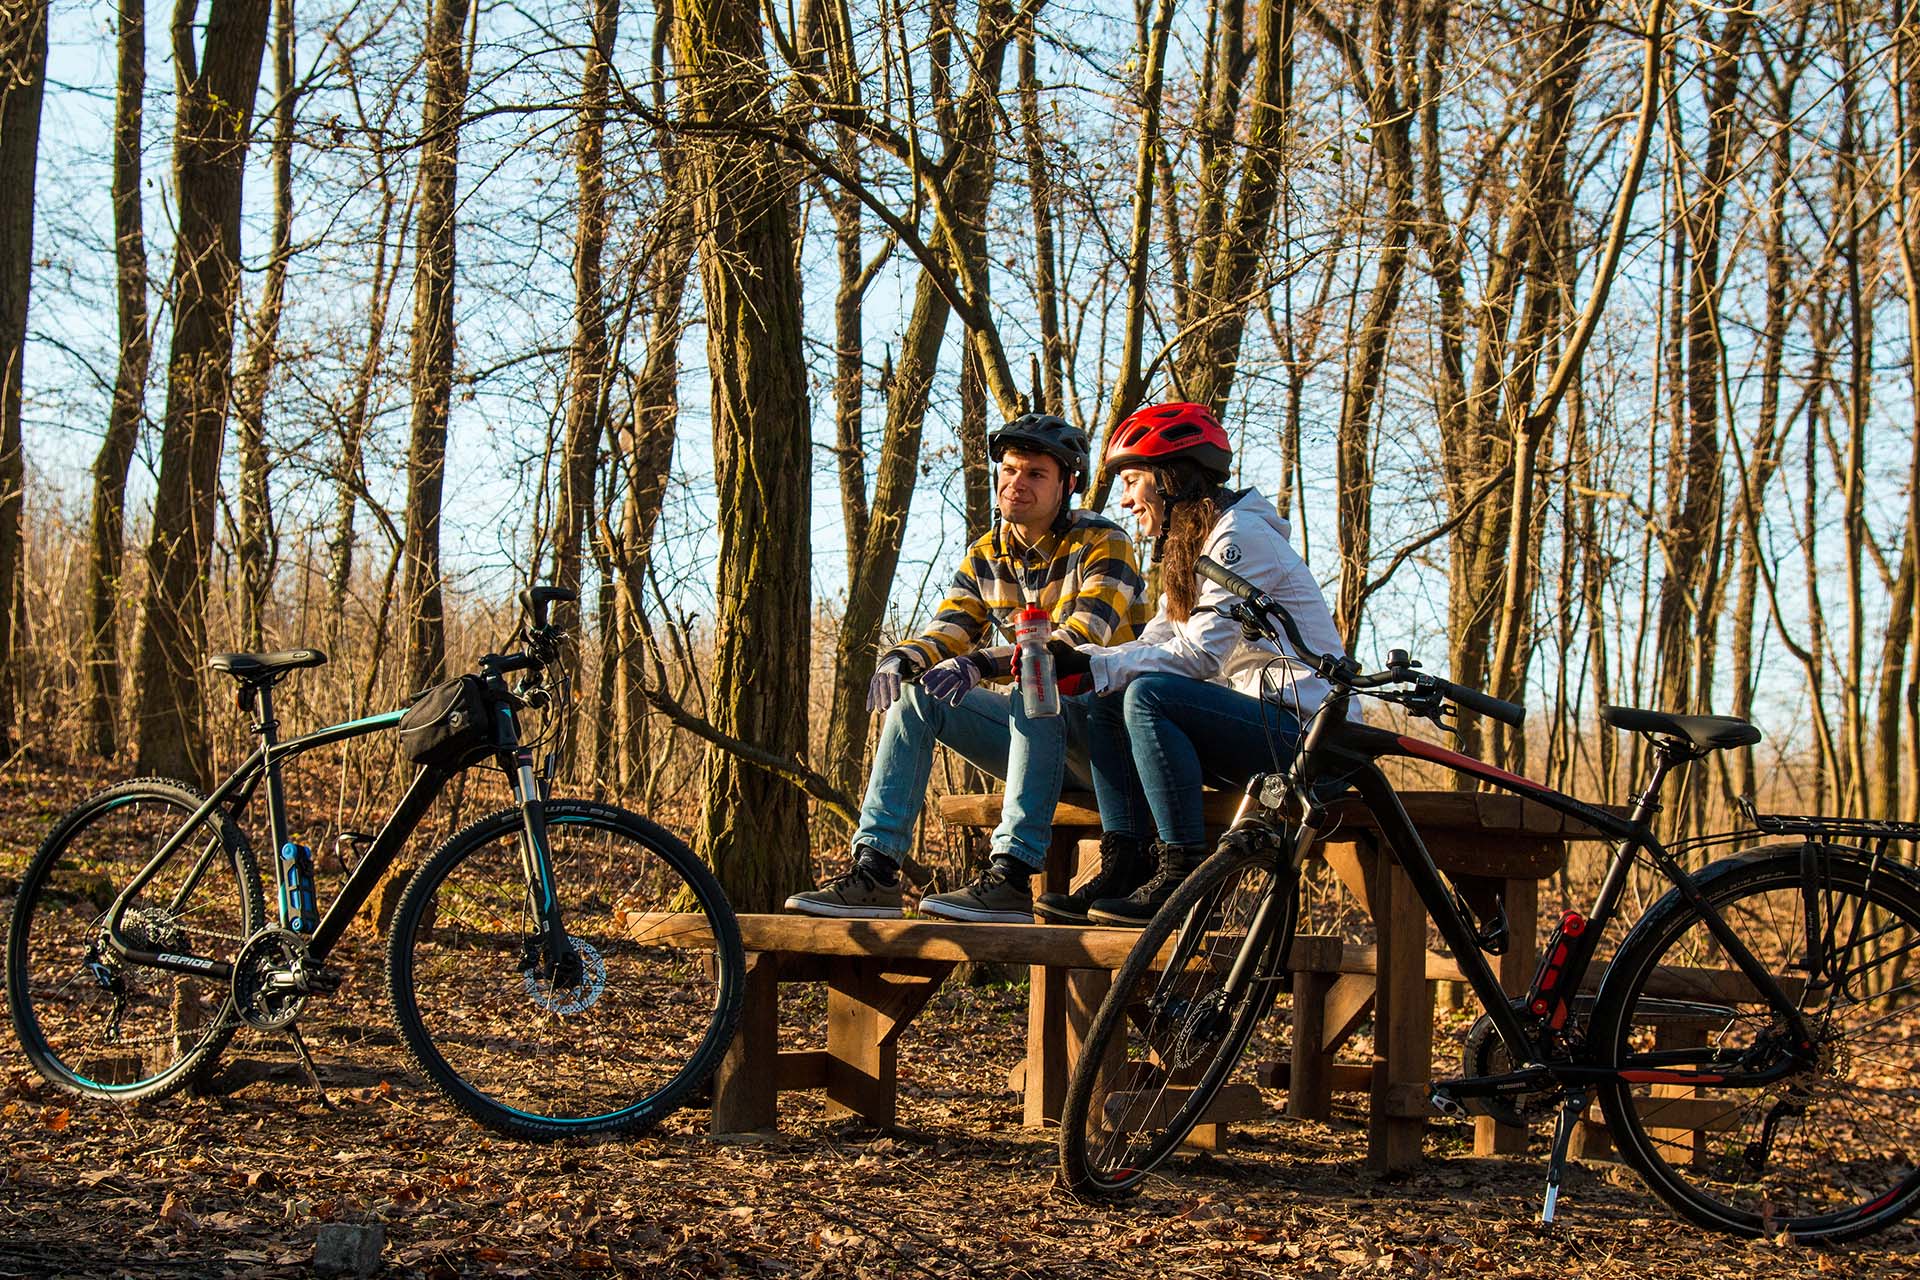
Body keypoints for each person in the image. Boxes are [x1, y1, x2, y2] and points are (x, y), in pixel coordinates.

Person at [785, 414, 1150, 923]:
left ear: (1069, 484)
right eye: (1008, 469)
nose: (1015, 483)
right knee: (918, 696)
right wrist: (903, 658)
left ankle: (1012, 875)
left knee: (1037, 682)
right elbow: (949, 629)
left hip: (1110, 748)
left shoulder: (1105, 543)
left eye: (1035, 474)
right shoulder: (987, 553)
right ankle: (876, 870)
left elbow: (1074, 642)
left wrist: (980, 663)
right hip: (1041, 745)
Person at [1033, 401, 1350, 927]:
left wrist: (1097, 667)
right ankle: (1127, 861)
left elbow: (1200, 656)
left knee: (1147, 694)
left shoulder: (1239, 538)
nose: (1127, 499)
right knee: (1107, 699)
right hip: (1261, 726)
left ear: (1171, 478)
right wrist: (1082, 659)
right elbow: (1159, 639)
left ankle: (1182, 871)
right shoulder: (1192, 544)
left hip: (1312, 738)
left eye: (1133, 480)